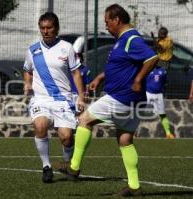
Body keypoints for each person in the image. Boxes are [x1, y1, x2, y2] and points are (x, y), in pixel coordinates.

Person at [53, 4, 158, 197]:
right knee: (125, 139)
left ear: (117, 20)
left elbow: (152, 58)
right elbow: (122, 66)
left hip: (120, 97)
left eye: (107, 22)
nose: (106, 26)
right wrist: (101, 77)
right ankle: (134, 186)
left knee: (85, 120)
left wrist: (138, 79)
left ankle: (74, 167)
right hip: (133, 101)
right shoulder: (123, 40)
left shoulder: (131, 39)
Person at [23, 12, 85, 183]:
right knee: (40, 126)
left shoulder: (67, 48)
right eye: (42, 28)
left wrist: (80, 96)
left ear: (56, 29)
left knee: (66, 137)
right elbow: (27, 70)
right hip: (41, 99)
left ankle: (68, 165)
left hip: (63, 100)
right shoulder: (32, 50)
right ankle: (46, 167)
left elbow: (76, 73)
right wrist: (27, 83)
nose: (45, 31)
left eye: (49, 28)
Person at [146, 66, 174, 139]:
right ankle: (133, 133)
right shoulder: (146, 68)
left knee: (162, 114)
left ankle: (168, 133)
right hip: (147, 93)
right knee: (139, 113)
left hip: (159, 95)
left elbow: (165, 82)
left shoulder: (163, 71)